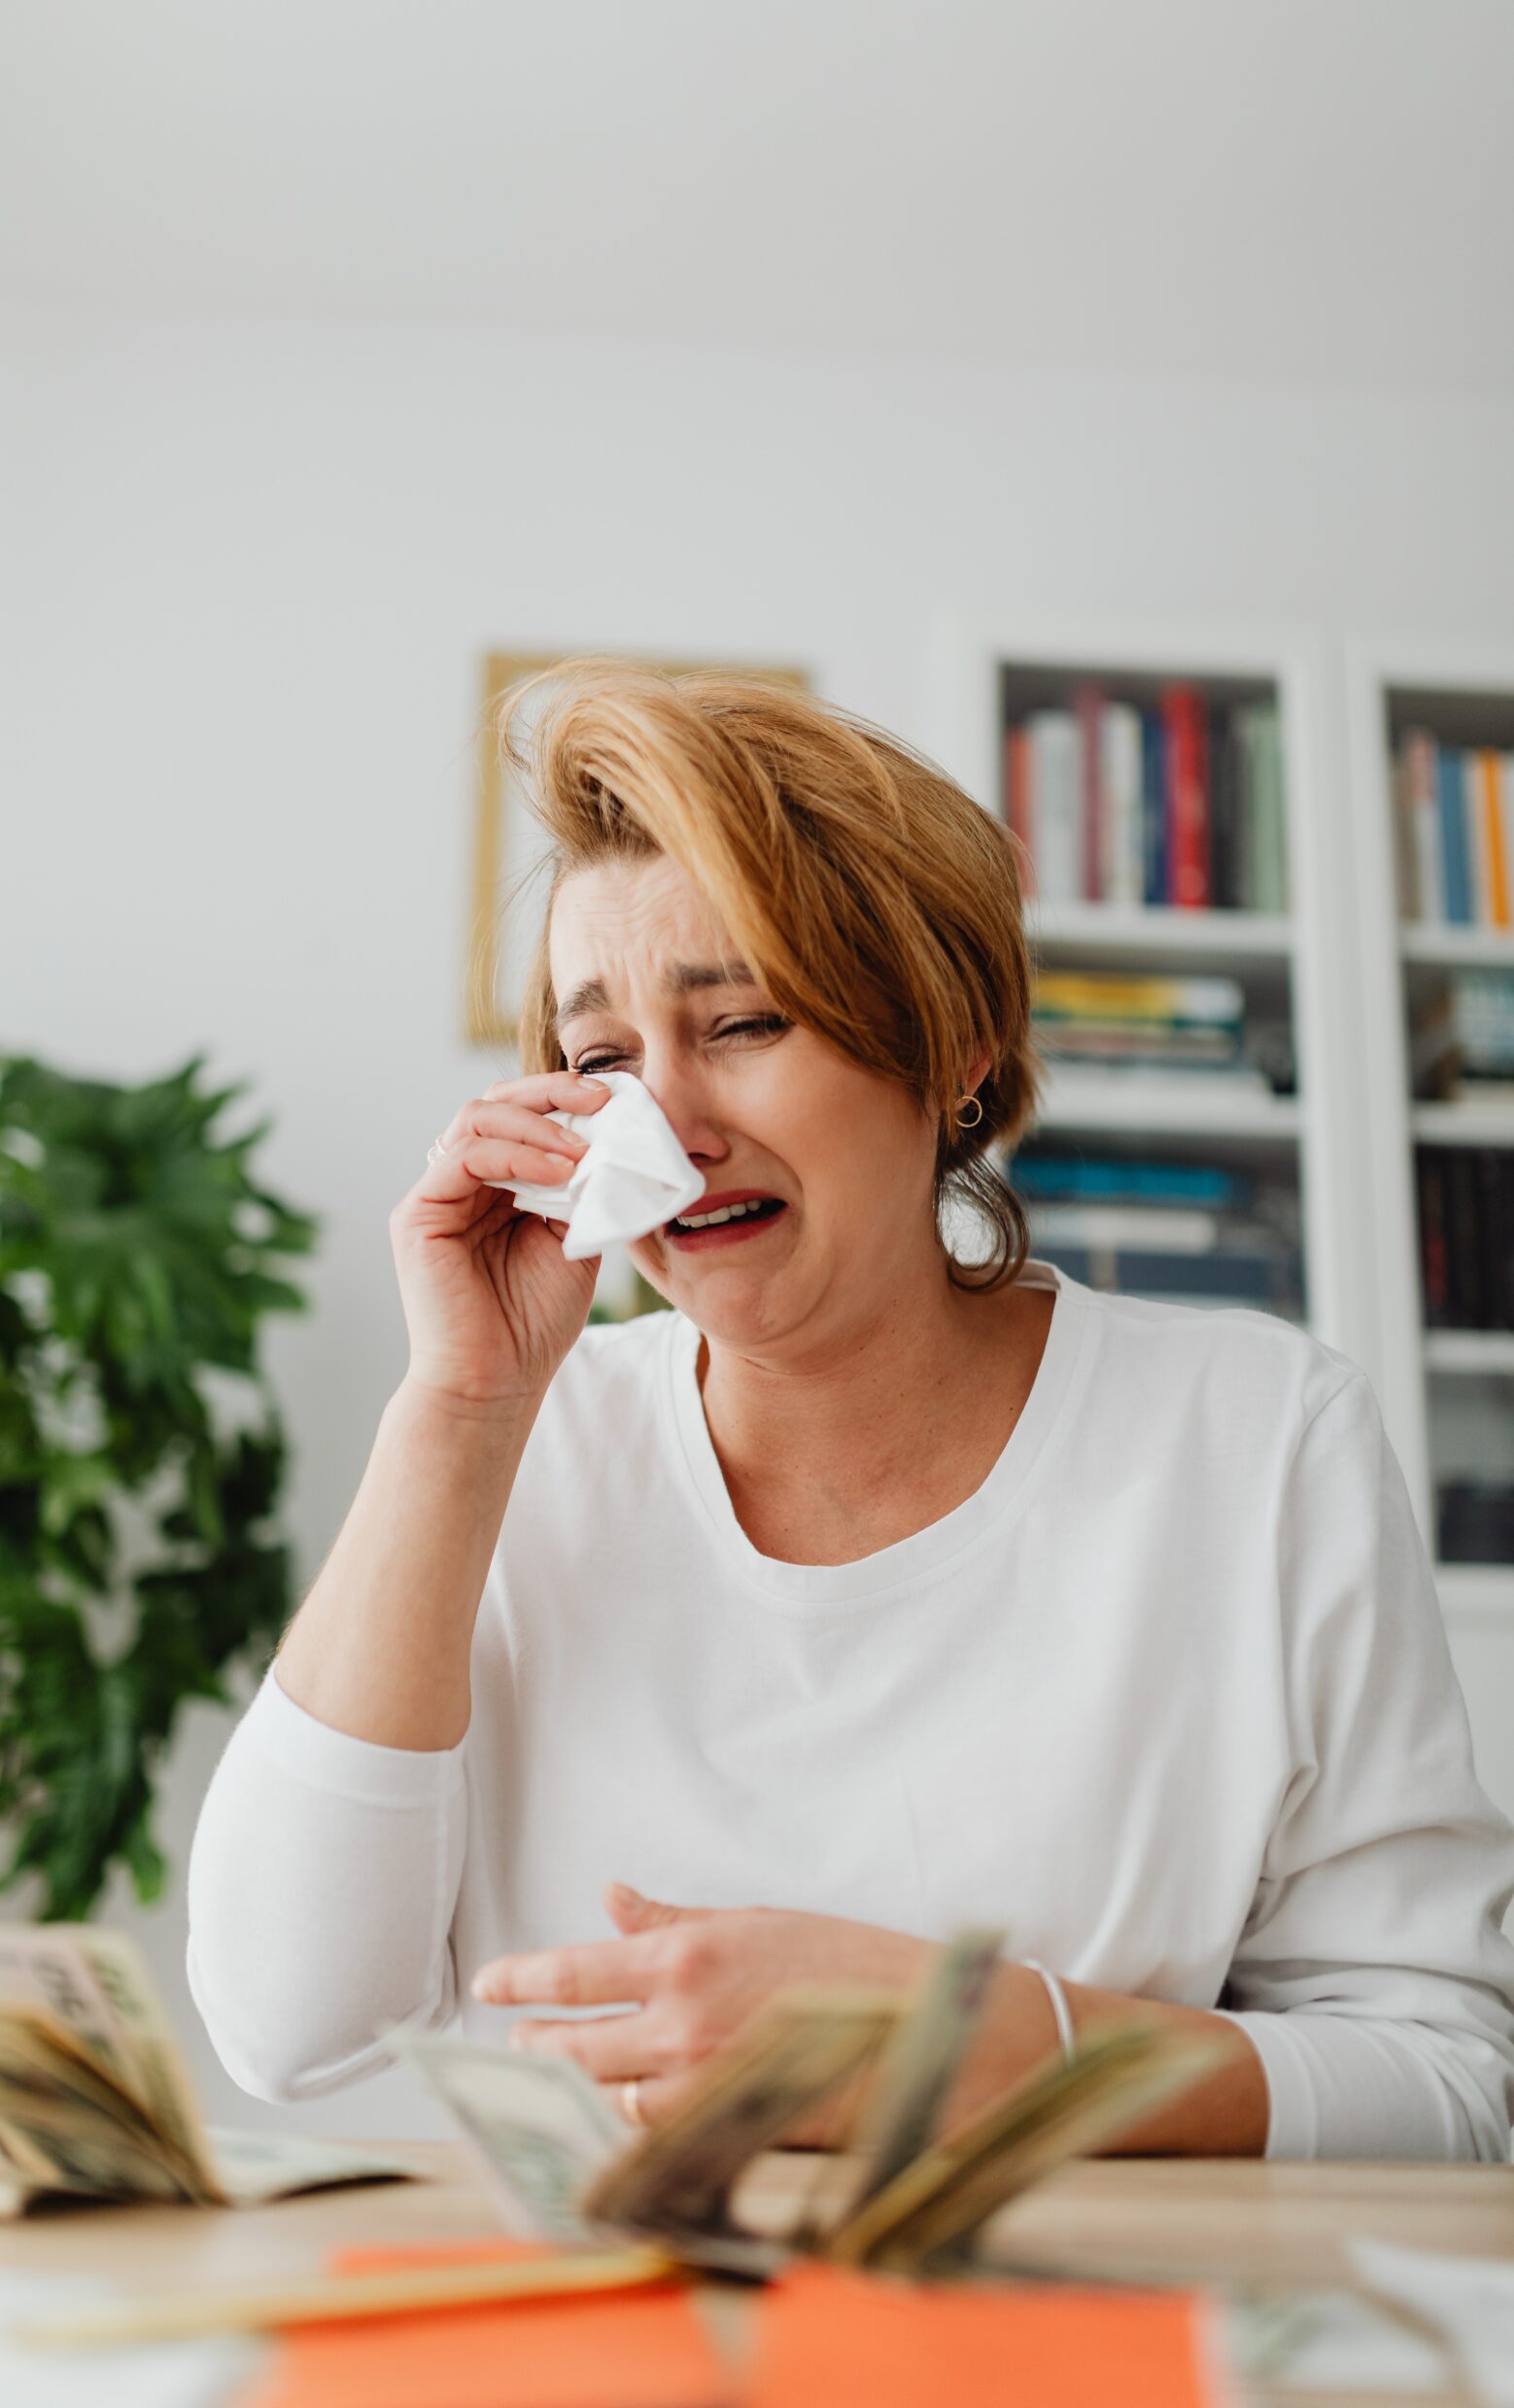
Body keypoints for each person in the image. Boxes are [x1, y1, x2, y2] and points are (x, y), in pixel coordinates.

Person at [188, 663, 1514, 2160]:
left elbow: (1453, 2090)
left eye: (743, 1022)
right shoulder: (515, 1445)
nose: (669, 1132)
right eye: (603, 1060)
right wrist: (458, 1411)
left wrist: (987, 2047)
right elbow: (284, 2026)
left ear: (952, 1050)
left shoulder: (1258, 1442)